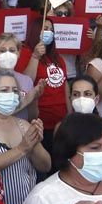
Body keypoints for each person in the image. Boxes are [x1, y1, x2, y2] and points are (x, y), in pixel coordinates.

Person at [0, 71, 50, 204]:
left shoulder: (24, 125)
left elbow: (45, 166)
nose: (11, 95)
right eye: (4, 90)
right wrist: (21, 149)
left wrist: (34, 145)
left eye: (15, 91)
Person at [24, 18, 70, 157]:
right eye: (45, 28)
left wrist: (70, 113)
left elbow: (65, 86)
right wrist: (35, 57)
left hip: (60, 123)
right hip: (39, 124)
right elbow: (26, 82)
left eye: (51, 29)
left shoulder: (58, 58)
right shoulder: (26, 53)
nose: (48, 32)